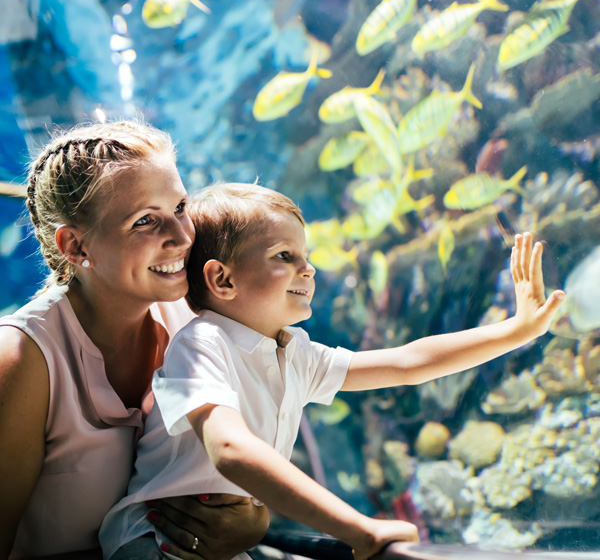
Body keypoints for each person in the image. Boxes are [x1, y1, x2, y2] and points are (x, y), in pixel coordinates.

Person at [100, 182, 566, 560]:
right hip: (152, 544)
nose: (309, 269)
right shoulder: (202, 343)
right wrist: (357, 529)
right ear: (222, 279)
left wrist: (515, 332)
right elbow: (229, 449)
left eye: (306, 255)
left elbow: (406, 363)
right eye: (285, 256)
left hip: (211, 546)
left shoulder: (294, 352)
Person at [0, 123, 269, 560]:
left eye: (180, 206)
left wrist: (253, 520)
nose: (183, 237)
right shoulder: (23, 358)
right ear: (75, 245)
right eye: (144, 220)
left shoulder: (199, 317)